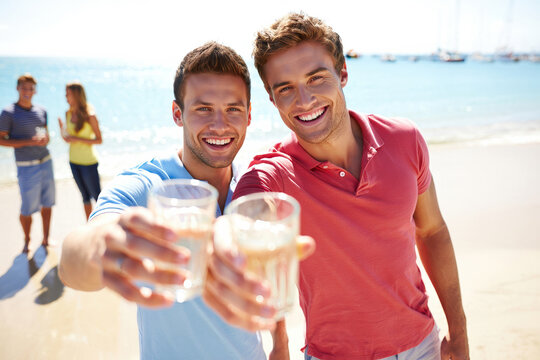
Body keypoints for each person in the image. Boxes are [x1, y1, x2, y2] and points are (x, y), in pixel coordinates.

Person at [231, 13, 470, 360]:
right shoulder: (274, 174)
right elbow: (237, 226)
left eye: (316, 78)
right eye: (285, 88)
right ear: (271, 98)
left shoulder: (404, 140)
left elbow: (432, 231)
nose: (304, 99)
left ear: (343, 73)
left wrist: (459, 333)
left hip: (423, 346)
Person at [58, 42, 312, 360]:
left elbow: (268, 274)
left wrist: (281, 345)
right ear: (178, 113)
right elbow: (71, 264)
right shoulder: (147, 186)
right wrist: (106, 248)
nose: (220, 124)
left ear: (249, 116)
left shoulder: (253, 189)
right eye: (203, 109)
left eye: (233, 109)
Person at [0, 73, 55, 253]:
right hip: (26, 166)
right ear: (17, 88)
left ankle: (46, 239)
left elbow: (44, 134)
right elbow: (2, 140)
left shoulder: (41, 110)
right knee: (27, 208)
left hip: (46, 161)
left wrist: (46, 139)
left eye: (31, 88)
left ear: (35, 91)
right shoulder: (8, 113)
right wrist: (29, 141)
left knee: (47, 203)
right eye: (24, 88)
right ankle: (27, 240)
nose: (27, 91)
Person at [58, 82, 103, 220]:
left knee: (97, 196)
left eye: (68, 94)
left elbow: (99, 140)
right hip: (73, 161)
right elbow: (68, 139)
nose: (66, 97)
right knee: (84, 197)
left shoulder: (90, 115)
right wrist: (62, 131)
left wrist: (76, 138)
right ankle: (89, 225)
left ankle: (105, 224)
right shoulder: (68, 113)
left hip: (88, 162)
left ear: (77, 95)